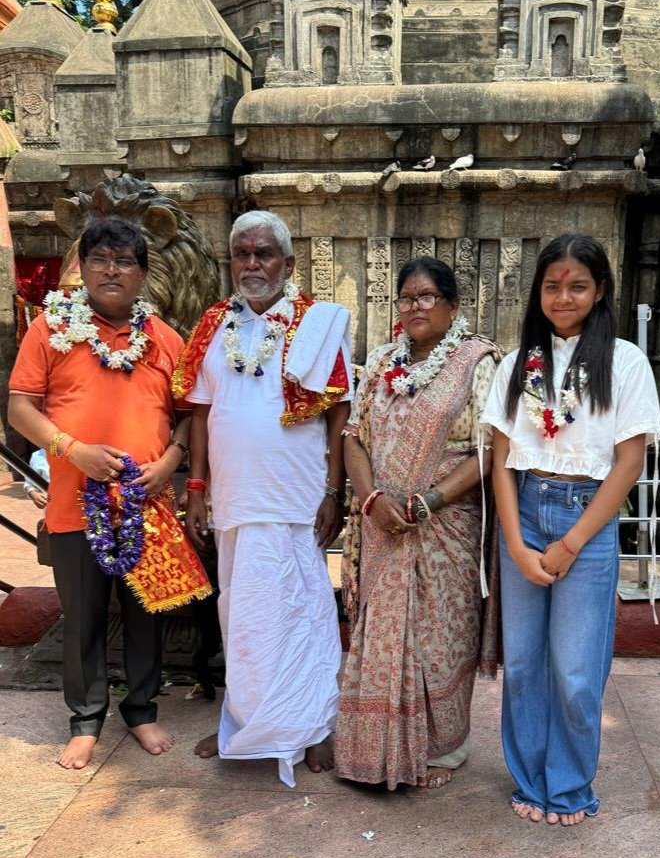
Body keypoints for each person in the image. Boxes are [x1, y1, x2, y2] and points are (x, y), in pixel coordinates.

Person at [8, 216, 204, 770]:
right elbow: (20, 408)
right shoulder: (50, 328)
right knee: (84, 615)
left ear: (143, 274)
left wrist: (169, 461)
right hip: (76, 505)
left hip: (146, 505)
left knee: (146, 613)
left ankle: (141, 710)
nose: (111, 270)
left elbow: (189, 416)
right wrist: (74, 450)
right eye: (100, 259)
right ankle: (86, 718)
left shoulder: (165, 339)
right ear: (83, 268)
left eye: (124, 261)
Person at [482, 233, 660, 826]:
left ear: (600, 290)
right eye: (553, 286)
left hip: (588, 516)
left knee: (576, 667)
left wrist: (571, 542)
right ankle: (532, 780)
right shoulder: (516, 366)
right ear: (538, 292)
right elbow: (501, 459)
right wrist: (514, 542)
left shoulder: (625, 362)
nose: (564, 297)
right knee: (526, 664)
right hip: (525, 507)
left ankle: (570, 785)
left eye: (578, 286)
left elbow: (629, 463)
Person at [178, 210, 353, 787]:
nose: (252, 264)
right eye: (242, 254)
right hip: (233, 497)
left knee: (303, 611)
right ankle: (245, 721)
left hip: (297, 498)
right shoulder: (210, 326)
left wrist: (335, 489)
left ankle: (316, 726)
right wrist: (196, 488)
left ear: (289, 263)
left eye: (264, 254)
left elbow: (339, 413)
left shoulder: (318, 325)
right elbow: (200, 414)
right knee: (242, 613)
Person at [335, 257, 501, 790]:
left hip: (445, 523)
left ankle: (443, 750)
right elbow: (353, 437)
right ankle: (371, 745)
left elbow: (490, 449)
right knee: (381, 632)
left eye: (427, 297)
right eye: (406, 298)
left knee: (439, 635)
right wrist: (370, 498)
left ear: (453, 306)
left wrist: (429, 500)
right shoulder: (382, 361)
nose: (414, 307)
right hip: (381, 521)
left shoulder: (478, 363)